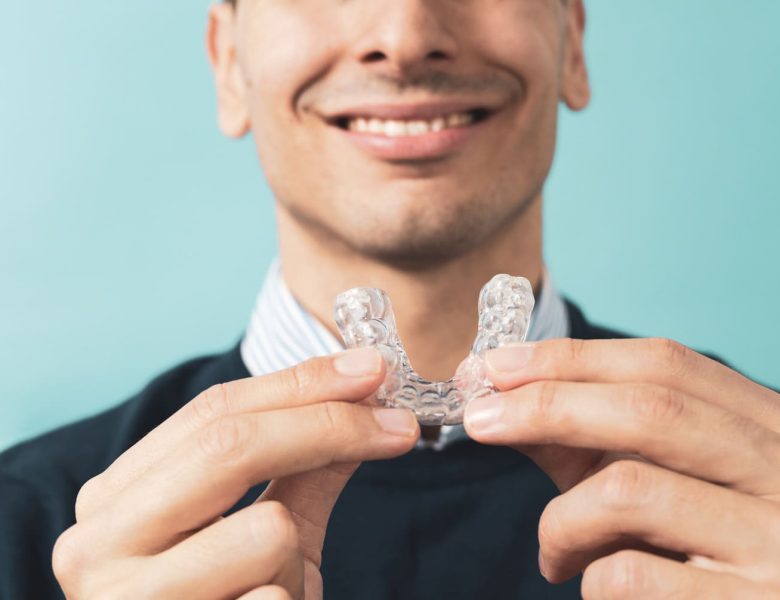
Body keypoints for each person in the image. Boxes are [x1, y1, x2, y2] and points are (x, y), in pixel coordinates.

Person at [1, 0, 778, 598]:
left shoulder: (760, 486)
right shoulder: (26, 526)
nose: (405, 34)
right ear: (229, 63)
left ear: (572, 41)